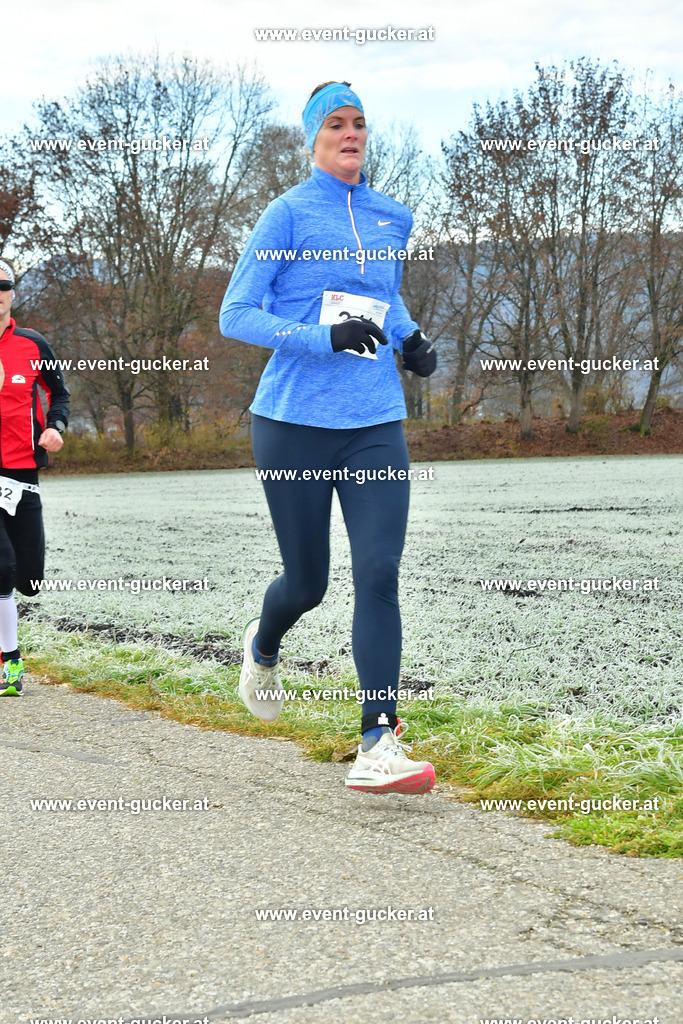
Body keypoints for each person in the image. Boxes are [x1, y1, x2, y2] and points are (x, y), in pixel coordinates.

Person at [220, 82, 437, 794]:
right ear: (313, 138)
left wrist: (410, 339)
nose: (351, 133)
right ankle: (263, 644)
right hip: (290, 425)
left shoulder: (391, 216)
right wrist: (321, 337)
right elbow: (236, 314)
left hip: (373, 421)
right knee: (307, 582)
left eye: (359, 124)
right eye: (336, 124)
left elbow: (388, 294)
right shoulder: (286, 215)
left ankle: (379, 739)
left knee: (378, 571)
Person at [0, 258, 70, 696]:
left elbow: (59, 394)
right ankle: (11, 665)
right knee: (2, 568)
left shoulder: (32, 343)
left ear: (10, 293)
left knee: (30, 577)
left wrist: (54, 428)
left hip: (22, 471)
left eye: (2, 285)